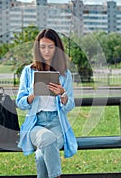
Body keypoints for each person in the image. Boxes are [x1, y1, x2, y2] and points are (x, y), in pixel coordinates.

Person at [16, 28, 78, 178]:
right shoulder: (28, 71)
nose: (46, 51)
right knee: (47, 139)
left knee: (41, 154)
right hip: (36, 123)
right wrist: (33, 95)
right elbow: (20, 102)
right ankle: (57, 176)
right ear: (38, 48)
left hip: (57, 122)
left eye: (51, 47)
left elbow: (69, 106)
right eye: (42, 47)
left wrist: (63, 94)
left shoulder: (65, 74)